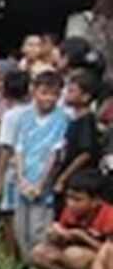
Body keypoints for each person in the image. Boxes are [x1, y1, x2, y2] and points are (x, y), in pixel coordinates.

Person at [11, 71, 69, 262]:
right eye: (44, 92)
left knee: (40, 231)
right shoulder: (24, 116)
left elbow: (55, 155)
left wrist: (41, 185)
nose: (49, 98)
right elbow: (18, 149)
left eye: (54, 94)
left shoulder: (62, 118)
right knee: (21, 231)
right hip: (23, 181)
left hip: (44, 185)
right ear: (34, 91)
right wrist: (21, 179)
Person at [31, 170, 113, 269]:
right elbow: (62, 239)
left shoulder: (108, 215)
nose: (70, 203)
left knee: (74, 254)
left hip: (100, 258)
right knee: (38, 252)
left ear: (96, 201)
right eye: (68, 198)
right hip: (74, 253)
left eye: (77, 200)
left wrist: (82, 237)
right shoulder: (69, 211)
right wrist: (56, 236)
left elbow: (109, 251)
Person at [0, 70, 33, 258]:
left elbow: (5, 148)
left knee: (10, 216)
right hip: (33, 170)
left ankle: (12, 257)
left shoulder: (11, 116)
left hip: (13, 172)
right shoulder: (36, 112)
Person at [51, 69, 103, 216]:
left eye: (72, 91)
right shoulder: (73, 119)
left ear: (86, 97)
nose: (66, 94)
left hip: (79, 178)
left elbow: (85, 153)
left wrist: (63, 177)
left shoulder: (86, 121)